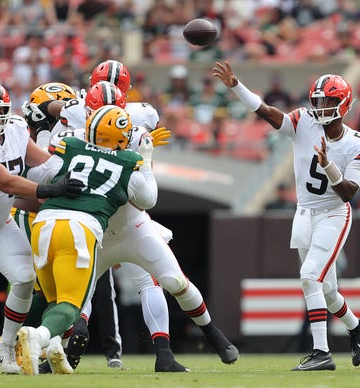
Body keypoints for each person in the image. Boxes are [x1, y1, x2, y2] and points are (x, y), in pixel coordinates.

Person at [39, 60, 239, 372]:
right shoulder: (81, 131)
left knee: (169, 281)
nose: (108, 109)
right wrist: (143, 157)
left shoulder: (87, 129)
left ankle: (202, 338)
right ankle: (58, 351)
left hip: (124, 222)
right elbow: (146, 194)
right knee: (76, 296)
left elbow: (143, 197)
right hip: (94, 226)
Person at [213, 61, 360, 371]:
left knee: (309, 277)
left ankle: (321, 353)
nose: (321, 106)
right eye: (318, 100)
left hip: (333, 215)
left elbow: (349, 193)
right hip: (304, 214)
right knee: (326, 290)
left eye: (328, 101)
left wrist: (329, 165)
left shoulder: (359, 144)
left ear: (343, 103)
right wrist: (236, 86)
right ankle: (357, 327)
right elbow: (265, 111)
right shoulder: (303, 121)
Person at [16, 105, 156, 375]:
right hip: (80, 228)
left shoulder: (70, 146)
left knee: (52, 299)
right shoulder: (128, 162)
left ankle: (53, 348)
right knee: (72, 303)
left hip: (44, 224)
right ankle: (39, 338)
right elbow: (148, 199)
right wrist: (147, 162)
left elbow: (37, 176)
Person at [0, 80, 84, 374]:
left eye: (2, 108)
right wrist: (51, 190)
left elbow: (45, 163)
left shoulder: (15, 128)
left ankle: (5, 348)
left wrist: (75, 172)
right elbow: (4, 181)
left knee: (25, 277)